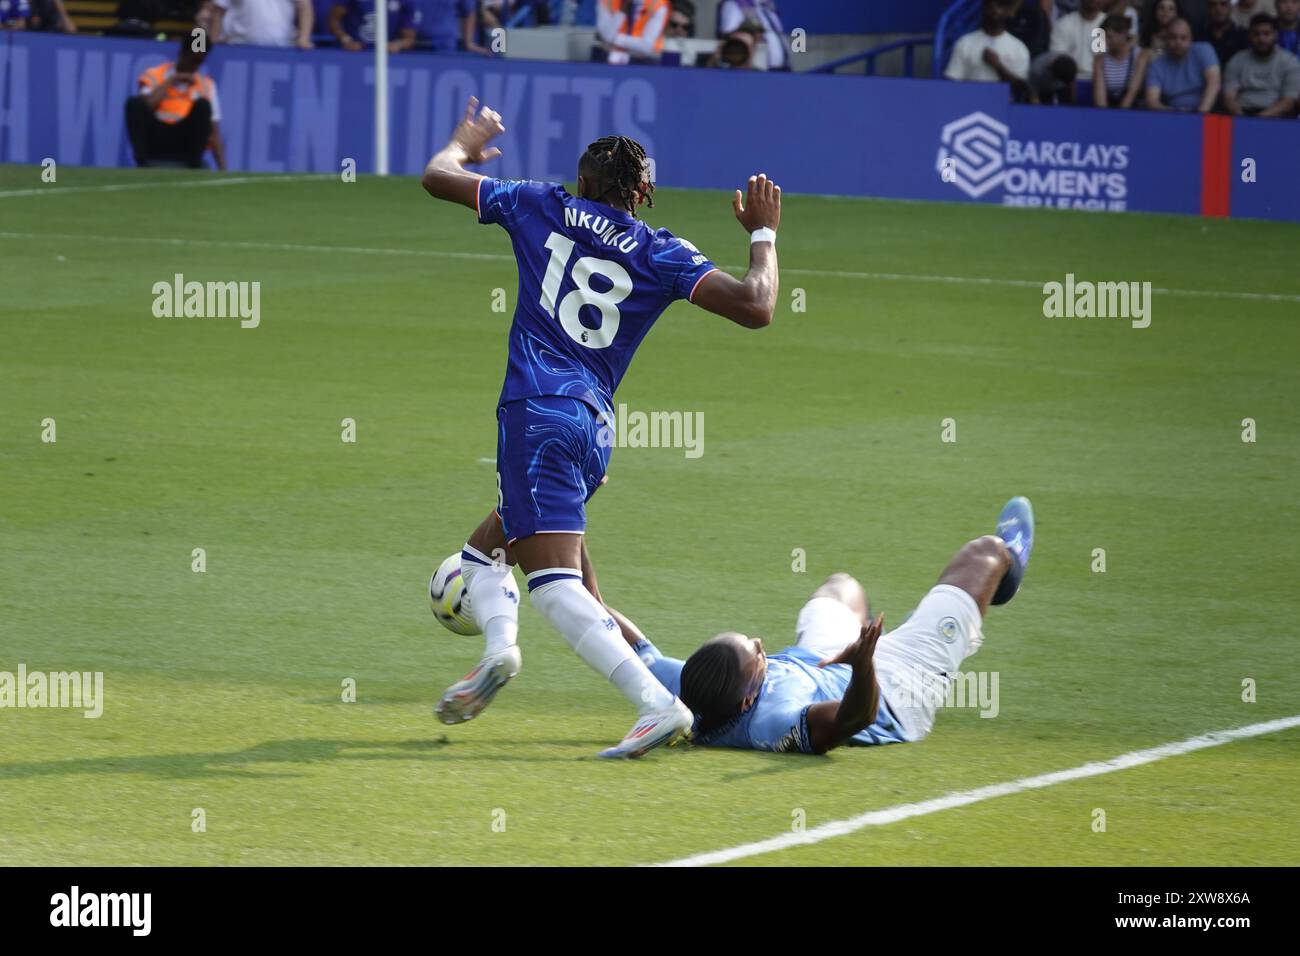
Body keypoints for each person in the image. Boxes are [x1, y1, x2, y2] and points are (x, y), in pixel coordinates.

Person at [420, 99, 782, 758]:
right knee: (486, 550)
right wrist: (762, 233)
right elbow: (758, 306)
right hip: (592, 427)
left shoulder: (537, 203)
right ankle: (498, 651)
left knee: (556, 589)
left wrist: (464, 145)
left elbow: (436, 177)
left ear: (583, 183)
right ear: (642, 195)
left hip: (534, 412)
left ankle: (655, 704)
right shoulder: (662, 250)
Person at [624, 498, 1035, 754]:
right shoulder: (774, 720)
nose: (759, 641)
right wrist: (863, 665)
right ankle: (1003, 574)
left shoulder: (691, 687)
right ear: (748, 699)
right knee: (986, 553)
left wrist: (568, 547)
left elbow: (609, 626)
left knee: (841, 587)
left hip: (820, 661)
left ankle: (919, 629)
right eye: (756, 653)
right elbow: (853, 720)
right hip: (894, 689)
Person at [126, 38, 226, 169]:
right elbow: (147, 105)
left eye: (199, 61)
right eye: (192, 59)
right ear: (182, 53)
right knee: (134, 103)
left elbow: (214, 132)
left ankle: (194, 163)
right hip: (156, 139)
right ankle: (143, 161)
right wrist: (173, 79)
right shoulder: (155, 75)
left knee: (203, 106)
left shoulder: (206, 85)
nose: (194, 65)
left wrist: (223, 169)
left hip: (185, 143)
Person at [945, 0, 1033, 93]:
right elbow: (952, 82)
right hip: (969, 102)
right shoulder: (965, 42)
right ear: (983, 9)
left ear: (1008, 11)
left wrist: (997, 66)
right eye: (990, 5)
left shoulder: (1018, 48)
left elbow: (1021, 89)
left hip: (1003, 105)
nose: (995, 10)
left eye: (1000, 6)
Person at [1223, 13, 1300, 114]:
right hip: (1242, 114)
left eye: (1267, 34)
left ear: (1276, 35)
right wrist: (1242, 119)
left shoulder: (1290, 61)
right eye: (1256, 34)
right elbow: (1229, 97)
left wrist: (1259, 120)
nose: (1261, 39)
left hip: (1278, 117)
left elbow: (1288, 101)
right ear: (1249, 36)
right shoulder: (1237, 60)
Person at [1145, 16, 1221, 108]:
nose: (1178, 42)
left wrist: (1199, 116)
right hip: (1173, 115)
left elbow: (1214, 84)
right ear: (1166, 39)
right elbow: (1151, 100)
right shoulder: (1157, 65)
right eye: (1173, 37)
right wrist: (1175, 116)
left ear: (1191, 39)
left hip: (1206, 113)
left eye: (1183, 38)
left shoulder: (1204, 50)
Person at [717, 0, 791, 70]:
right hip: (754, 73)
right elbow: (731, 40)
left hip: (784, 70)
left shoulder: (768, 6)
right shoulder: (735, 4)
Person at [212, 0, 314, 48]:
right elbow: (218, 11)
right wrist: (214, 41)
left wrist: (304, 38)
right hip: (240, 48)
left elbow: (304, 7)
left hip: (282, 50)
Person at [595, 0, 670, 64]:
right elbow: (606, 34)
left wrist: (614, 39)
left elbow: (646, 45)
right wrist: (622, 11)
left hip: (645, 59)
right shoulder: (607, 1)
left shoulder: (657, 3)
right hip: (610, 55)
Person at [1095, 12, 1147, 104]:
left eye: (1109, 37)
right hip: (1110, 110)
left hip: (1134, 111)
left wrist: (1120, 116)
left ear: (1123, 34)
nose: (1106, 41)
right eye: (1104, 37)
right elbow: (1100, 98)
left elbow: (1132, 92)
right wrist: (1104, 116)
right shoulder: (1100, 59)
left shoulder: (1139, 56)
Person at [329, 0, 417, 52]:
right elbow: (333, 19)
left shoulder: (405, 2)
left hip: (387, 55)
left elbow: (409, 38)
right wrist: (346, 40)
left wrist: (397, 45)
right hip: (354, 52)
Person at [1051, 0, 1108, 75]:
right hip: (1069, 78)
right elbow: (1058, 57)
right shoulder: (1064, 23)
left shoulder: (1109, 24)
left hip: (1101, 79)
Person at [1206, 0, 1250, 66]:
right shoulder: (1200, 35)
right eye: (1213, 5)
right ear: (1207, 8)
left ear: (1231, 7)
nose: (1218, 9)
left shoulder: (1243, 36)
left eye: (1223, 4)